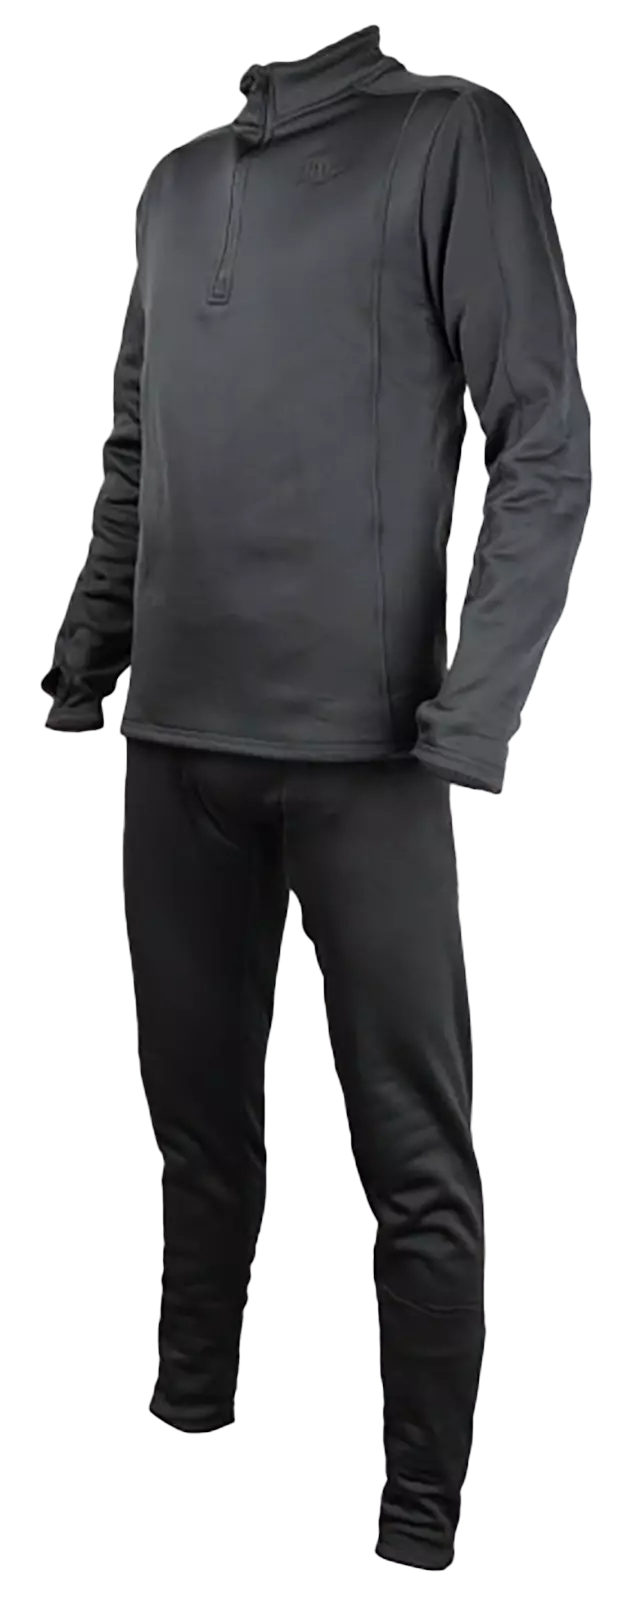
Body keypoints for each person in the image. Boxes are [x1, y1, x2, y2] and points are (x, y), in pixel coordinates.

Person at [40, 23, 592, 1575]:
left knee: (414, 1161)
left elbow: (542, 437)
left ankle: (418, 1521)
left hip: (373, 762)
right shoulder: (173, 186)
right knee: (193, 1124)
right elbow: (137, 449)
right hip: (175, 749)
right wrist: (86, 656)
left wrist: (473, 712)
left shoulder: (455, 138)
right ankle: (189, 1415)